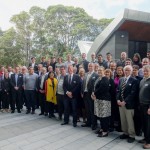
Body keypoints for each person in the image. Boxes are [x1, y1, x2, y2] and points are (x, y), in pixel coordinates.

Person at [117, 65, 138, 143]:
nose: (126, 71)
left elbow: (133, 93)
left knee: (130, 120)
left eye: (128, 70)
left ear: (131, 71)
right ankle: (125, 133)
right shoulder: (121, 79)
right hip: (120, 104)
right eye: (125, 70)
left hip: (129, 104)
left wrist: (124, 101)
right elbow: (118, 91)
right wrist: (118, 100)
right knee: (123, 120)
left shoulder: (134, 80)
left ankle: (131, 135)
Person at [92, 67, 111, 137]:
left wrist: (94, 93)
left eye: (101, 70)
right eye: (98, 70)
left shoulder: (105, 78)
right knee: (100, 116)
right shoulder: (99, 79)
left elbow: (102, 88)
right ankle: (102, 129)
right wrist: (93, 94)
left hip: (104, 100)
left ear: (104, 71)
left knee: (104, 116)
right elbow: (96, 88)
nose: (99, 71)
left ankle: (105, 131)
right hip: (99, 100)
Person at [81, 63, 99, 130]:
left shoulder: (96, 75)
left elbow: (96, 85)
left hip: (91, 95)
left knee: (92, 110)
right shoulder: (86, 74)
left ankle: (94, 124)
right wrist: (82, 92)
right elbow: (83, 83)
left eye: (91, 66)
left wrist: (94, 93)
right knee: (87, 109)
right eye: (89, 66)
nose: (90, 67)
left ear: (94, 67)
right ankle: (88, 122)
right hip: (85, 94)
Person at [139, 65, 150, 149]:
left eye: (147, 71)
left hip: (147, 106)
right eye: (144, 71)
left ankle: (149, 142)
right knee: (144, 124)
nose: (145, 72)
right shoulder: (142, 80)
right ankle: (146, 138)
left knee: (148, 125)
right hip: (141, 105)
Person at [132, 65, 143, 136]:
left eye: (135, 70)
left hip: (137, 101)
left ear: (138, 71)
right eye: (133, 70)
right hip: (131, 101)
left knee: (137, 117)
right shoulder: (130, 78)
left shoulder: (140, 79)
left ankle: (138, 131)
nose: (134, 71)